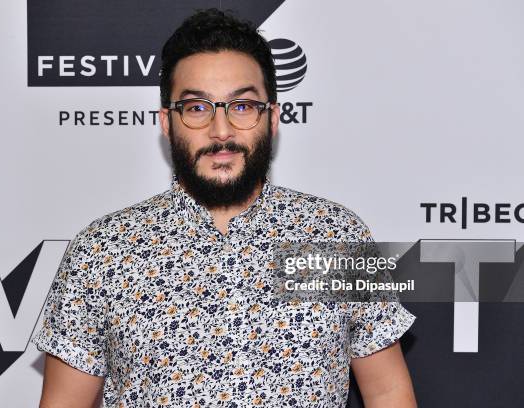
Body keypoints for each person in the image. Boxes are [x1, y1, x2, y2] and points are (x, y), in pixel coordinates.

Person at [32, 8, 417, 408]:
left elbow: (387, 392)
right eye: (197, 108)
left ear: (273, 119)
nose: (221, 131)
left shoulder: (334, 235)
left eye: (243, 106)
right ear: (167, 122)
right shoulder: (102, 251)